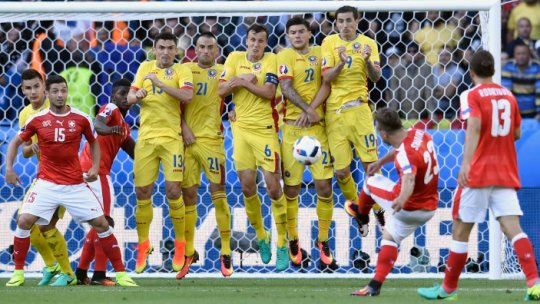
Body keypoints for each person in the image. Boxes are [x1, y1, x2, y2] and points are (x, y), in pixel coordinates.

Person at [418, 50, 540, 301]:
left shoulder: (470, 94)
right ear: (493, 70)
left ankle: (448, 288)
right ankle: (534, 283)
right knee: (513, 228)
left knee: (461, 230)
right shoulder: (509, 96)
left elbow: (473, 126)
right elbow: (516, 133)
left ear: (471, 72)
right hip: (505, 170)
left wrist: (466, 164)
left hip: (479, 171)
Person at [5, 75, 137, 287]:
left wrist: (94, 167)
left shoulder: (80, 117)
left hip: (75, 183)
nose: (60, 95)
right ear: (48, 94)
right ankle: (19, 273)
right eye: (55, 91)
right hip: (46, 182)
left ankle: (120, 273)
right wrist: (9, 169)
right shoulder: (36, 119)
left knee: (102, 224)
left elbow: (94, 141)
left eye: (63, 91)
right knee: (24, 221)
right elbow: (16, 143)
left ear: (67, 92)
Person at [218, 24, 289, 271]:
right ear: (246, 40)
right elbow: (220, 90)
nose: (256, 45)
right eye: (252, 40)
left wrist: (243, 83)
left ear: (266, 43)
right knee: (248, 188)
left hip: (266, 132)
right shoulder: (234, 58)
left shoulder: (273, 60)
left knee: (272, 189)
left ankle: (282, 242)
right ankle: (262, 236)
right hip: (240, 133)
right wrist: (240, 80)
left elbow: (269, 92)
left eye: (260, 41)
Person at [350, 108, 439, 296]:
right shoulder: (419, 134)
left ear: (383, 132)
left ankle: (362, 215)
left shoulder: (405, 155)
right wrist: (381, 162)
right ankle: (375, 285)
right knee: (389, 237)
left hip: (406, 205)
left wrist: (402, 199)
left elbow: (409, 179)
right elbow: (401, 151)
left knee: (370, 181)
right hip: (429, 208)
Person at [127, 31, 194, 274]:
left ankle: (180, 244)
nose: (166, 52)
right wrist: (137, 96)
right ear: (154, 49)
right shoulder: (144, 67)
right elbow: (129, 96)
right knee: (142, 192)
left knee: (173, 191)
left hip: (171, 139)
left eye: (170, 48)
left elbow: (187, 95)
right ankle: (144, 245)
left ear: (176, 50)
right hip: (145, 138)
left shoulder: (182, 70)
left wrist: (161, 85)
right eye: (161, 48)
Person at [320, 5, 385, 236]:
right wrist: (339, 63)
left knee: (371, 168)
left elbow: (376, 77)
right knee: (341, 172)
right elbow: (326, 77)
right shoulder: (328, 44)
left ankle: (378, 210)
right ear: (336, 23)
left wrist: (367, 61)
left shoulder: (369, 44)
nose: (345, 25)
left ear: (357, 21)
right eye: (340, 21)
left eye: (349, 20)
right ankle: (360, 211)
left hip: (360, 112)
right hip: (335, 115)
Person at [276, 17, 336, 268]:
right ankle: (293, 238)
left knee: (324, 187)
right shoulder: (284, 56)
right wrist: (305, 109)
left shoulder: (322, 52)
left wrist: (311, 110)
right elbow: (286, 87)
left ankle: (323, 240)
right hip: (291, 130)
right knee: (291, 190)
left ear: (310, 34)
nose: (297, 36)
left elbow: (327, 84)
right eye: (292, 32)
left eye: (301, 32)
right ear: (288, 35)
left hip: (317, 129)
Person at [177, 32, 233, 279]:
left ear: (217, 50)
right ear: (195, 49)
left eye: (211, 47)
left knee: (218, 194)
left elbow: (237, 97)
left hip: (213, 141)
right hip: (187, 142)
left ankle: (226, 250)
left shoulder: (224, 71)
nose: (206, 51)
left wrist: (234, 111)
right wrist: (184, 128)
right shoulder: (184, 70)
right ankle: (189, 250)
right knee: (188, 196)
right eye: (202, 47)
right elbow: (171, 105)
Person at [17, 68, 74, 286]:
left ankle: (69, 273)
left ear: (44, 86)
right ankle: (53, 267)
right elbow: (24, 150)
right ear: (22, 90)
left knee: (45, 226)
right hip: (43, 176)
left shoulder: (57, 106)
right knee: (27, 225)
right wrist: (34, 144)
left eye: (36, 87)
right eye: (28, 88)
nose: (33, 92)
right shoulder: (25, 114)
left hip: (64, 176)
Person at [75, 79, 135, 285]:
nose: (125, 97)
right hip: (96, 172)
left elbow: (135, 152)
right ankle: (99, 274)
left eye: (129, 94)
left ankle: (82, 272)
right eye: (121, 93)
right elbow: (97, 123)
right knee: (105, 223)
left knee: (98, 224)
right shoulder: (111, 109)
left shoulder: (124, 127)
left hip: (88, 171)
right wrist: (110, 130)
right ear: (112, 97)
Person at [501, 43, 540, 120]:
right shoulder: (508, 67)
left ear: (529, 54)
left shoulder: (537, 67)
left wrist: (539, 113)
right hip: (513, 113)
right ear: (514, 55)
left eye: (523, 53)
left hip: (534, 114)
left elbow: (539, 92)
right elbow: (507, 93)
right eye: (518, 54)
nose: (521, 56)